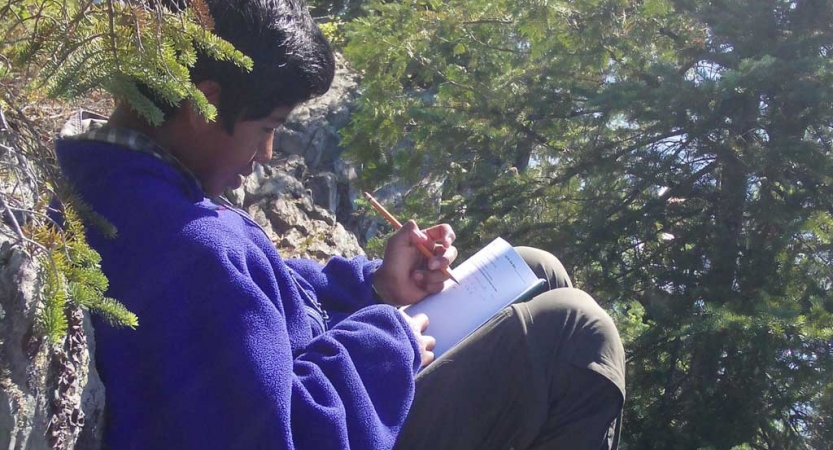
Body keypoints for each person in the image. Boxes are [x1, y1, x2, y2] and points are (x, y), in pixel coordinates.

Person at [55, 0, 626, 448]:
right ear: (204, 103)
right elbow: (276, 437)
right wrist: (385, 343)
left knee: (534, 270)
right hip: (339, 417)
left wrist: (373, 286)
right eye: (267, 127)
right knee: (577, 335)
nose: (267, 155)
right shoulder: (186, 247)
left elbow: (261, 297)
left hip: (317, 373)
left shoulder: (130, 180)